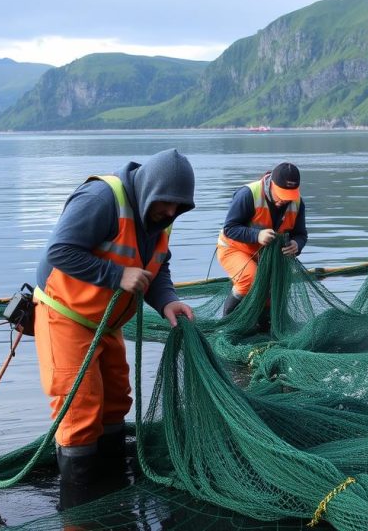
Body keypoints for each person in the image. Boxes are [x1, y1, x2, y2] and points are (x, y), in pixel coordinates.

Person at [33, 148, 196, 487]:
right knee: (80, 411)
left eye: (179, 207)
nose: (170, 212)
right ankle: (79, 513)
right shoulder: (100, 199)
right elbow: (59, 251)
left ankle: (111, 493)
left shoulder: (160, 220)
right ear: (150, 188)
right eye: (165, 203)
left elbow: (157, 268)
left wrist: (167, 302)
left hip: (106, 324)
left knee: (116, 402)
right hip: (66, 316)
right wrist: (117, 275)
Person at [217, 162, 308, 320]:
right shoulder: (248, 194)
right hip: (234, 249)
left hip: (267, 257)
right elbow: (230, 228)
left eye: (289, 196)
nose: (285, 200)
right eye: (281, 194)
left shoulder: (298, 203)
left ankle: (264, 324)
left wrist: (296, 245)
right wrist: (257, 235)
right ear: (271, 183)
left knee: (276, 286)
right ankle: (227, 322)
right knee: (250, 279)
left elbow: (301, 234)